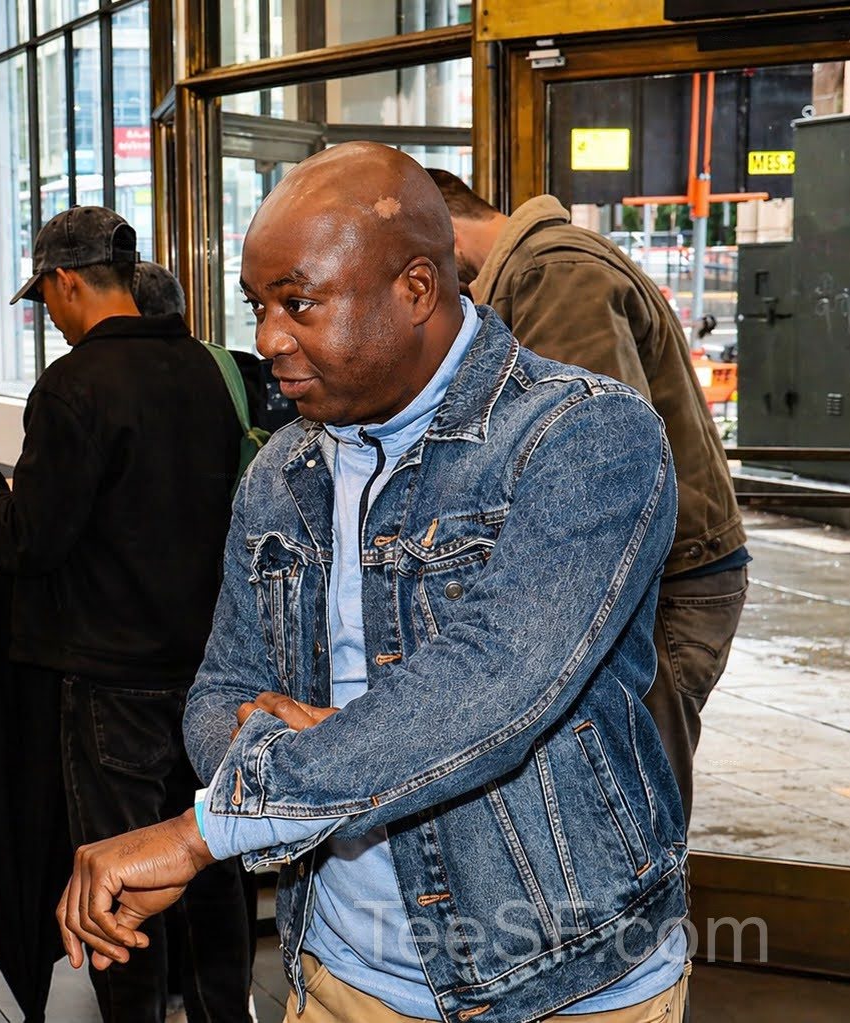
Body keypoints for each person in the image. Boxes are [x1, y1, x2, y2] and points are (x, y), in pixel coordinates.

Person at [56, 143, 692, 1023]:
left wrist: (213, 827)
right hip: (341, 976)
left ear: (417, 288)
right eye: (258, 305)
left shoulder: (583, 437)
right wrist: (290, 748)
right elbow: (219, 692)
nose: (268, 338)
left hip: (562, 981)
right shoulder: (282, 467)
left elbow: (487, 687)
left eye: (298, 302)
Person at [0, 207, 250, 1023]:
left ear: (65, 282)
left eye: (44, 298)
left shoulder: (73, 385)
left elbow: (26, 540)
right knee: (212, 858)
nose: (48, 314)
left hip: (112, 679)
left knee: (115, 881)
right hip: (209, 675)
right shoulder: (202, 371)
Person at [427, 168, 748, 823]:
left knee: (618, 821)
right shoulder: (533, 274)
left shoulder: (555, 276)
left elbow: (592, 474)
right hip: (652, 578)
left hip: (659, 587)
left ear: (442, 237)